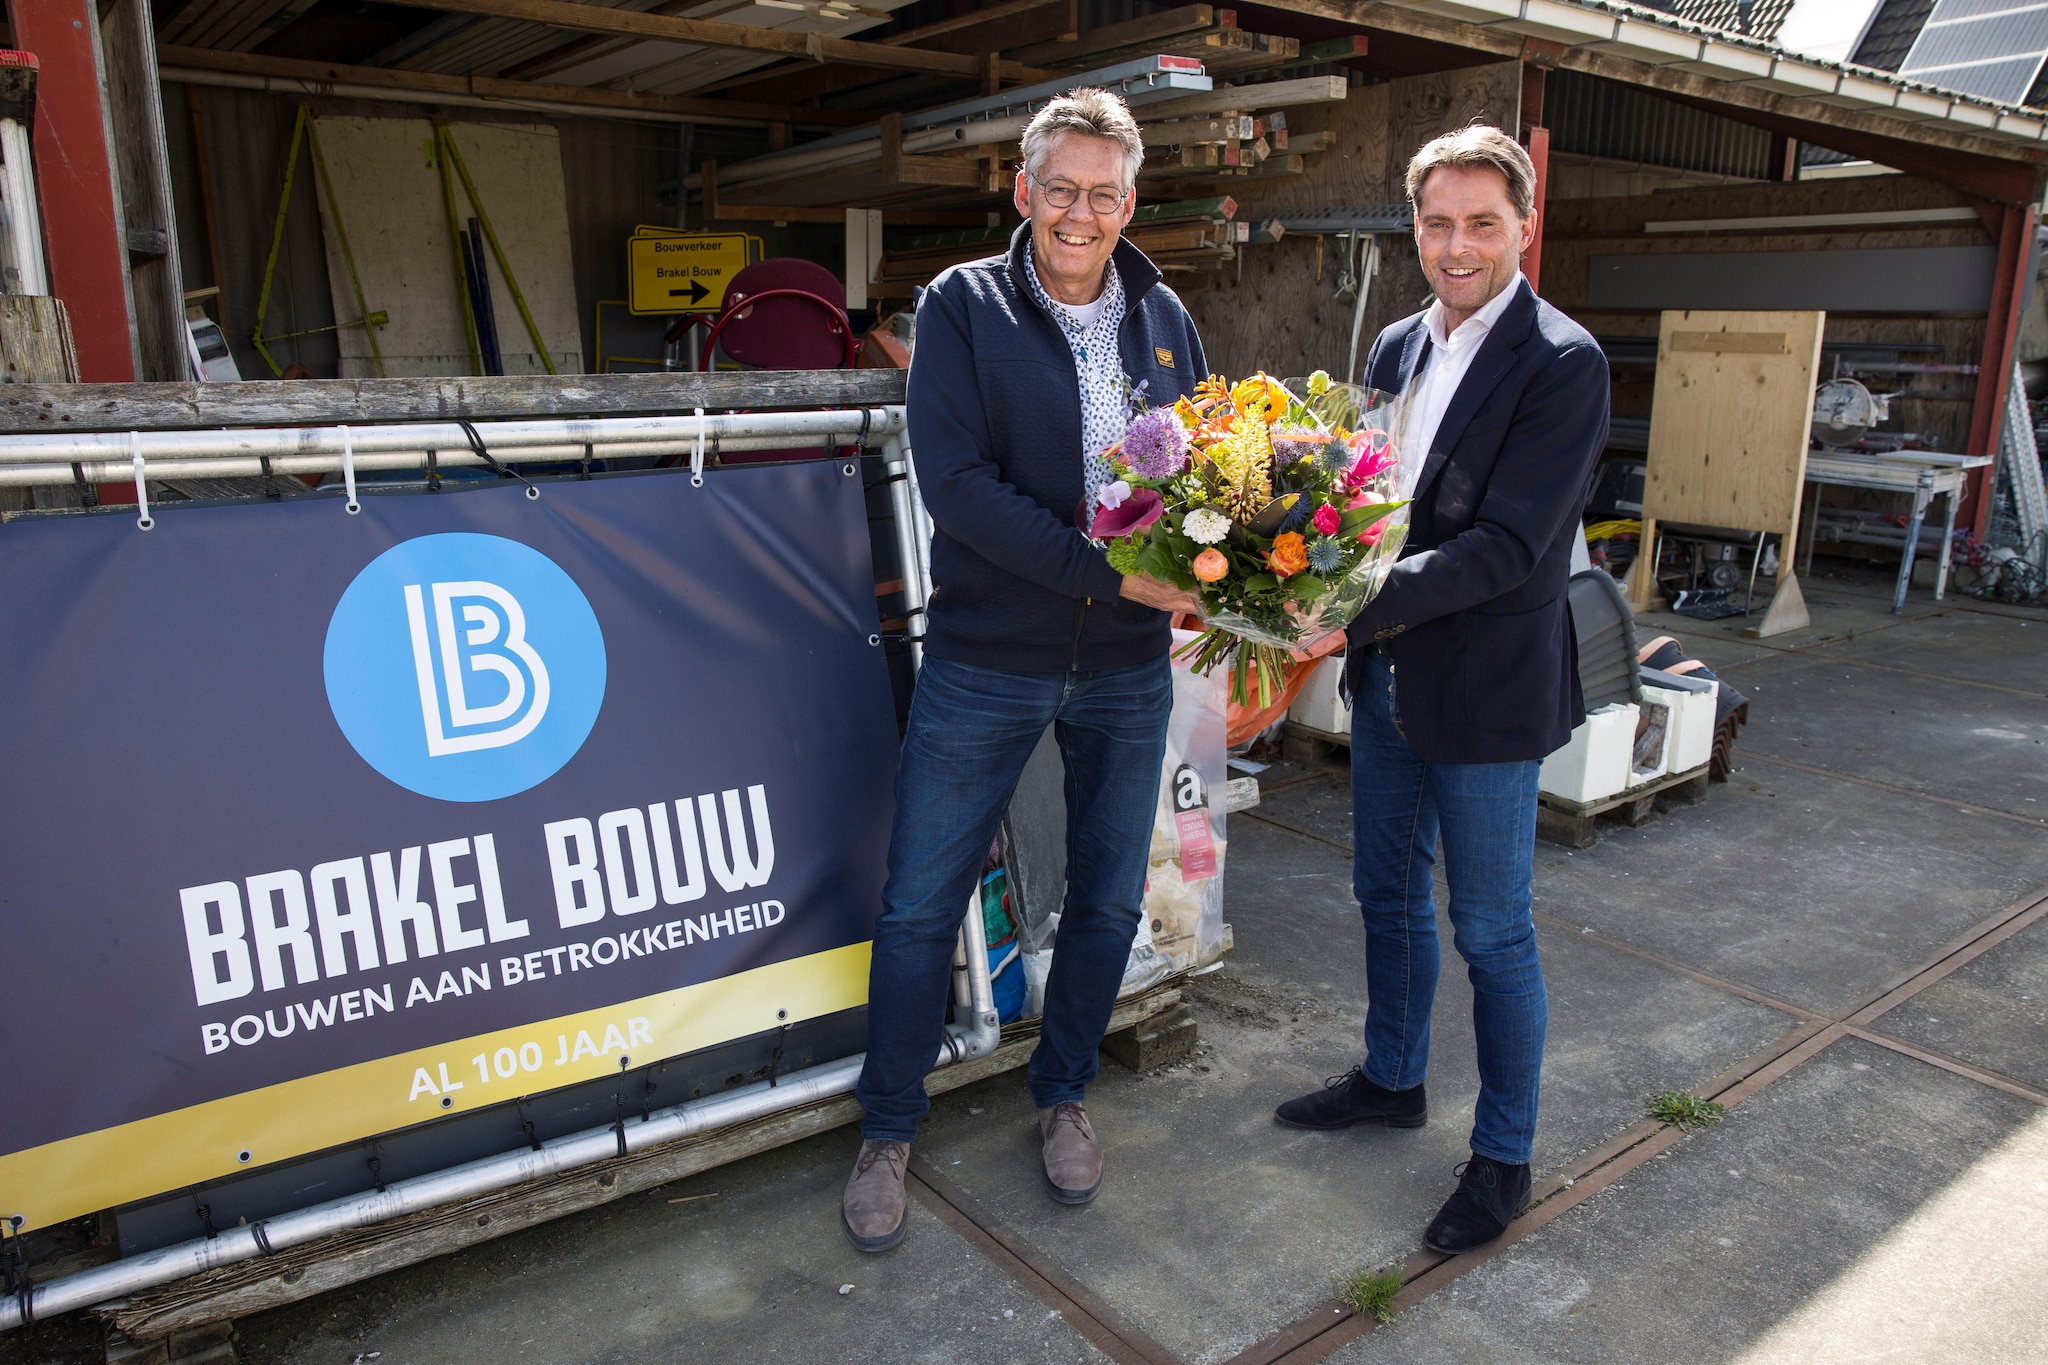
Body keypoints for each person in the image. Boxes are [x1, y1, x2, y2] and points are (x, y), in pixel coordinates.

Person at [841, 87, 1208, 1253]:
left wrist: (1231, 569)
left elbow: (1199, 479)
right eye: (1060, 188)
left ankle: (1062, 1097)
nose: (1080, 213)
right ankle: (889, 1126)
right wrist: (1109, 576)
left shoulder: (1164, 318)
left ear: (1129, 202)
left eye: (1103, 194)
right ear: (1022, 192)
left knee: (1101, 897)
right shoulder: (963, 306)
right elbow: (955, 487)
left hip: (1125, 668)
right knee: (916, 905)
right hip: (986, 658)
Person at [1274, 125, 1610, 1255]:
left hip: (1484, 688)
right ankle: (1390, 1079)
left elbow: (1510, 545)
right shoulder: (1395, 345)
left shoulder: (1561, 361)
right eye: (1434, 222)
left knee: (1491, 929)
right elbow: (1363, 502)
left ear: (1523, 226)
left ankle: (1503, 1153)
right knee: (1382, 896)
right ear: (1411, 228)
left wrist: (1345, 609)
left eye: (1479, 222)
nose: (1454, 244)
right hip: (1389, 679)